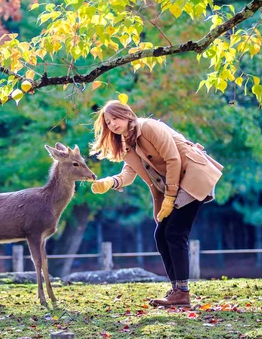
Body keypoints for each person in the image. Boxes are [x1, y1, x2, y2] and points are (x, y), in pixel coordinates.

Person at [89, 100, 223, 308]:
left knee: (175, 234)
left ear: (126, 114)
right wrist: (111, 182)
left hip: (192, 176)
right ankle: (177, 290)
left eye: (115, 118)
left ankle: (182, 292)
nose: (112, 124)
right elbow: (129, 173)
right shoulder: (128, 143)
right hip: (175, 184)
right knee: (161, 235)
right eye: (108, 122)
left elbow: (173, 159)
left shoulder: (148, 127)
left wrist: (169, 198)